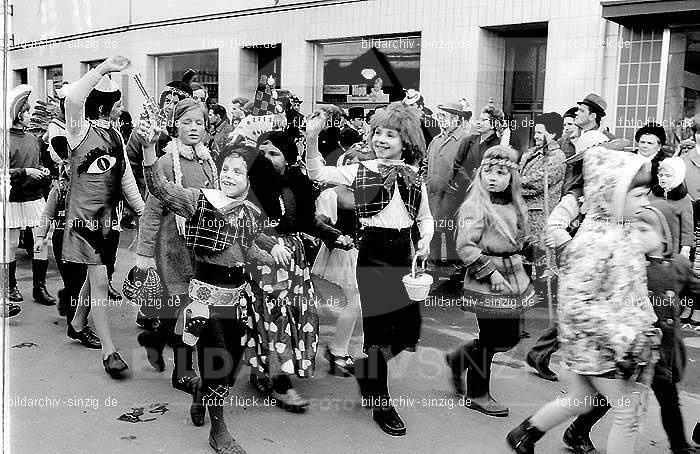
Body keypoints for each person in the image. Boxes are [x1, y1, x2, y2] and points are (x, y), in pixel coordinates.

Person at [506, 146, 660, 454]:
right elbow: (577, 304)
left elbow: (630, 288)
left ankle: (526, 433)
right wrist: (624, 334)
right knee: (628, 412)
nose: (646, 201)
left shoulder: (624, 231)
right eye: (639, 194)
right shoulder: (592, 243)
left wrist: (646, 320)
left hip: (603, 344)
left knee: (580, 400)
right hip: (599, 346)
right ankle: (527, 432)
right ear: (612, 195)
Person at [141, 129, 281, 454]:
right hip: (203, 302)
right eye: (226, 169)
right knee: (217, 362)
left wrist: (273, 252)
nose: (229, 175)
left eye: (238, 171)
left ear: (250, 181)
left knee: (229, 367)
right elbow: (159, 189)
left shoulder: (249, 214)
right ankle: (219, 432)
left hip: (237, 303)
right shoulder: (198, 200)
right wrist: (149, 151)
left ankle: (200, 390)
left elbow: (248, 251)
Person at [306, 101, 433, 437]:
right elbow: (318, 174)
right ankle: (381, 401)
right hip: (373, 255)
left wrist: (426, 241)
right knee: (378, 333)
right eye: (378, 132)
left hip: (403, 257)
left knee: (408, 332)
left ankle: (367, 371)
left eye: (390, 134)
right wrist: (312, 137)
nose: (381, 139)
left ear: (405, 140)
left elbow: (425, 218)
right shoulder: (361, 170)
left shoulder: (413, 175)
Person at [246, 130, 343, 412]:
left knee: (293, 317)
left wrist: (333, 235)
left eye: (274, 153)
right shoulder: (248, 183)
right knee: (271, 318)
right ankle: (278, 380)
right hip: (263, 258)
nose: (266, 158)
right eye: (262, 152)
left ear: (288, 159)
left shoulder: (297, 182)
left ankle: (269, 371)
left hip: (294, 263)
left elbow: (306, 221)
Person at [63, 56, 145, 377]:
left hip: (109, 219)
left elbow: (126, 181)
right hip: (84, 220)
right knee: (99, 279)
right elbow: (72, 98)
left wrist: (143, 213)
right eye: (114, 104)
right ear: (102, 105)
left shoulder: (116, 138)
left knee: (98, 273)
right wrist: (102, 69)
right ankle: (110, 353)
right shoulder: (77, 131)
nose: (117, 108)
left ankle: (78, 321)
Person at [134, 98, 218, 407]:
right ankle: (182, 371)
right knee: (183, 307)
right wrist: (144, 255)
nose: (193, 128)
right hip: (172, 249)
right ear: (175, 126)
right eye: (187, 122)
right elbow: (152, 213)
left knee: (189, 308)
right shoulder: (167, 162)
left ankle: (154, 339)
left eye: (199, 123)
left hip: (203, 247)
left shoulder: (210, 161)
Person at [445, 145, 534, 417]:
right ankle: (478, 393)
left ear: (512, 177)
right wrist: (491, 273)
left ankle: (459, 357)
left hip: (513, 275)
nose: (493, 177)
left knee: (509, 338)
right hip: (488, 278)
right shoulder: (475, 205)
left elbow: (520, 238)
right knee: (492, 337)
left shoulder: (515, 204)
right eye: (488, 172)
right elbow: (465, 246)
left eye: (500, 172)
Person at [312, 150, 372, 377]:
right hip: (344, 254)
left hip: (365, 253)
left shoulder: (372, 193)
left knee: (359, 302)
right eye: (351, 165)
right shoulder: (331, 195)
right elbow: (318, 223)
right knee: (355, 300)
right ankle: (338, 352)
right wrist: (334, 235)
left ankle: (344, 351)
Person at [5, 84, 55, 306]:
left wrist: (42, 170)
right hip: (13, 198)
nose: (30, 115)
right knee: (11, 243)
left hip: (34, 197)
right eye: (26, 111)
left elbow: (39, 163)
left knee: (41, 240)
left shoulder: (33, 139)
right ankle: (10, 286)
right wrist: (26, 172)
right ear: (18, 115)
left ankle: (39, 287)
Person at [425, 100, 471, 267]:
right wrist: (426, 181)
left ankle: (456, 272)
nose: (440, 119)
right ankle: (434, 269)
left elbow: (469, 168)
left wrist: (454, 188)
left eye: (443, 116)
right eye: (439, 116)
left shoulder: (465, 139)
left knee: (453, 236)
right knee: (433, 234)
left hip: (453, 199)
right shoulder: (436, 140)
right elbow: (425, 163)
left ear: (456, 119)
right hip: (432, 197)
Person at [650, 157, 694, 257]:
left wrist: (686, 247)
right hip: (653, 243)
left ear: (678, 177)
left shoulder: (684, 199)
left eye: (668, 176)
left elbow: (687, 227)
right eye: (661, 175)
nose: (663, 178)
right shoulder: (653, 194)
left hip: (673, 246)